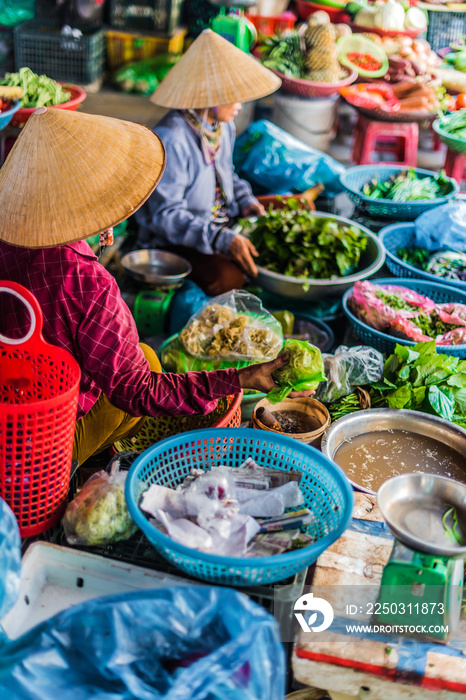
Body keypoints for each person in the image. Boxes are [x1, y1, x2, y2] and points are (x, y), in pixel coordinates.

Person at [0, 107, 312, 467]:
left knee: (143, 356)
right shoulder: (88, 282)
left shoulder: (12, 231)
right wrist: (240, 377)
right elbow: (138, 391)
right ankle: (69, 471)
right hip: (33, 451)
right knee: (138, 374)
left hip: (16, 390)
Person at [135, 29, 281, 296]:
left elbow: (228, 174)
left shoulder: (224, 126)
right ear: (210, 96)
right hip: (179, 237)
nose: (240, 104)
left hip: (221, 218)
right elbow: (165, 216)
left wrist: (246, 200)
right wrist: (218, 238)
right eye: (232, 96)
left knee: (286, 209)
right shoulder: (172, 137)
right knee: (229, 278)